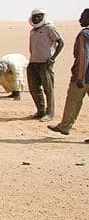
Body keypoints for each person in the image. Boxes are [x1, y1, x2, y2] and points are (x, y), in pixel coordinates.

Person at [47, 8, 89, 142]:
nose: (79, 19)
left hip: (84, 76)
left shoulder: (84, 34)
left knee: (73, 101)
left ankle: (65, 126)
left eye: (83, 17)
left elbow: (84, 56)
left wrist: (80, 76)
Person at [27, 8, 64, 121]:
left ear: (44, 17)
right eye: (35, 16)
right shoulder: (32, 31)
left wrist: (52, 58)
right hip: (33, 62)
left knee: (48, 89)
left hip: (45, 63)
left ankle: (50, 113)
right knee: (34, 88)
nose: (37, 18)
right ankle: (40, 111)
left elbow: (61, 42)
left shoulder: (49, 28)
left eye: (39, 16)